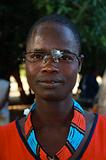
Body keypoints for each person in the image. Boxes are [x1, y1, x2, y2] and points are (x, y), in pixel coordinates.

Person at [0, 14, 106, 160]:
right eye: (37, 56)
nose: (49, 67)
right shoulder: (3, 141)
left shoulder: (103, 133)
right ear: (26, 61)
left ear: (79, 64)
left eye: (64, 57)